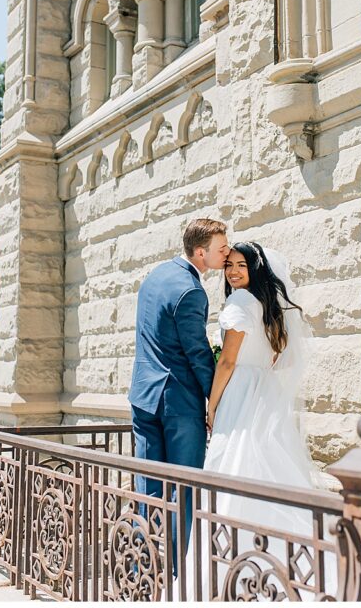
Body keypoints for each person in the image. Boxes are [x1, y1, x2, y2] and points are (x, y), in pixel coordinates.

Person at [191, 241, 332, 598]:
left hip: (240, 391)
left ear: (256, 270)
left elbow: (227, 362)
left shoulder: (239, 302)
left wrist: (213, 404)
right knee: (264, 463)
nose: (234, 271)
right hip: (262, 392)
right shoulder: (267, 307)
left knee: (234, 465)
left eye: (242, 265)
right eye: (229, 265)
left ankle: (232, 565)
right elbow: (272, 357)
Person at [129, 218, 230, 560]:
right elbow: (198, 353)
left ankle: (141, 570)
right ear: (201, 253)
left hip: (142, 398)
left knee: (148, 486)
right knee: (183, 488)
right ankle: (177, 571)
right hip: (178, 405)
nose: (226, 253)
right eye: (221, 248)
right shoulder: (191, 291)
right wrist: (217, 397)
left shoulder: (155, 276)